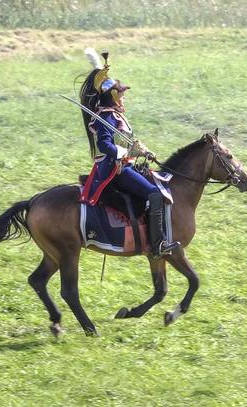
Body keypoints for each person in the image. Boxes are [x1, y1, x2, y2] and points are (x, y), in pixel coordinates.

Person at [78, 48, 180, 259]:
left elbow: (125, 141)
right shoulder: (105, 118)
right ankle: (157, 245)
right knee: (155, 195)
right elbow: (106, 146)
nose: (124, 97)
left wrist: (142, 150)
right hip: (116, 170)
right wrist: (129, 151)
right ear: (113, 96)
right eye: (121, 94)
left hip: (126, 165)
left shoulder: (115, 116)